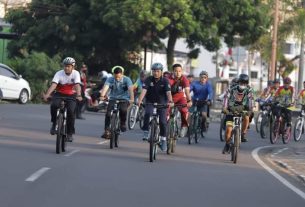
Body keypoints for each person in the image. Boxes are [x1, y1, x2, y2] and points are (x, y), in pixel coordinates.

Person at [43, 57, 82, 142]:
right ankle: (54, 123)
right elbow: (53, 85)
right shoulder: (59, 73)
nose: (66, 68)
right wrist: (47, 94)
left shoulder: (76, 74)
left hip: (71, 95)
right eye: (65, 66)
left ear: (73, 67)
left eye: (68, 66)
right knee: (54, 105)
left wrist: (79, 95)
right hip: (59, 93)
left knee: (71, 112)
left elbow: (77, 85)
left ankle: (70, 133)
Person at [137, 62, 174, 151]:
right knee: (147, 113)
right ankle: (146, 131)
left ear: (161, 71)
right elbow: (144, 90)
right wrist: (140, 100)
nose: (155, 73)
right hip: (150, 101)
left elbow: (168, 92)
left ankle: (163, 140)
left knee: (163, 122)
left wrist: (170, 101)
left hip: (162, 103)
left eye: (157, 71)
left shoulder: (165, 81)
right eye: (154, 71)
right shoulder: (148, 79)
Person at [100, 66, 134, 139]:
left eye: (119, 77)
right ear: (113, 75)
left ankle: (122, 123)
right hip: (113, 98)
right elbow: (106, 87)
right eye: (115, 77)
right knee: (108, 113)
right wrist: (102, 95)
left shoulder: (127, 79)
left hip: (124, 99)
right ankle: (106, 130)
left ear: (122, 74)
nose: (117, 79)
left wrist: (132, 99)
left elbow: (130, 89)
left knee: (123, 110)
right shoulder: (110, 79)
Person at [222, 74, 254, 153]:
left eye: (245, 83)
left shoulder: (249, 90)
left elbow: (251, 100)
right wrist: (225, 108)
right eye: (241, 82)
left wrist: (250, 109)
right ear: (238, 82)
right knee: (228, 130)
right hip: (231, 110)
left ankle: (242, 134)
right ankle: (227, 144)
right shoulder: (232, 89)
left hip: (243, 110)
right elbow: (226, 98)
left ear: (247, 83)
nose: (243, 84)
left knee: (246, 118)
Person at [168, 63, 192, 137]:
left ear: (182, 71)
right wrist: (170, 101)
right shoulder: (168, 79)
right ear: (172, 71)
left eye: (179, 71)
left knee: (184, 111)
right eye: (176, 71)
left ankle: (184, 126)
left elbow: (187, 91)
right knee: (165, 112)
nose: (178, 73)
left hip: (181, 98)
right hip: (170, 98)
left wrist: (189, 100)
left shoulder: (184, 79)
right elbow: (167, 91)